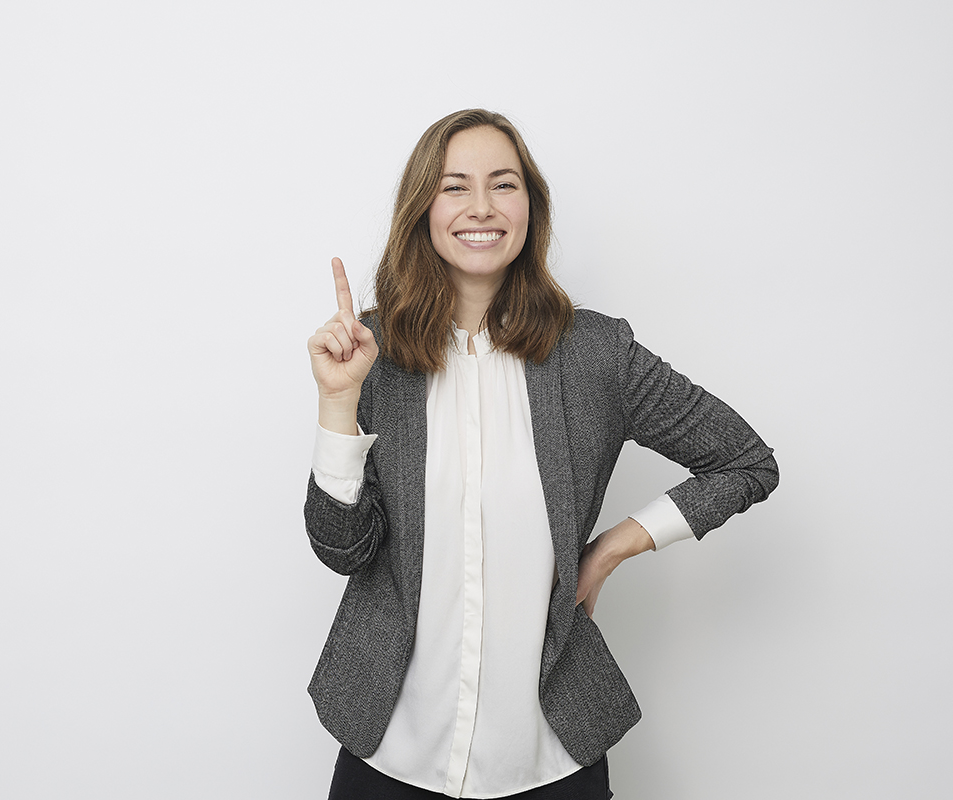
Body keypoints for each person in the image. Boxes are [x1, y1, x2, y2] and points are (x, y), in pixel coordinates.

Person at [304, 109, 778, 800]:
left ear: (531, 207)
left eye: (504, 184)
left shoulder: (596, 355)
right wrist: (338, 401)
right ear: (423, 210)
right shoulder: (370, 352)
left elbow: (745, 462)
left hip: (548, 760)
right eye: (454, 187)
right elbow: (342, 550)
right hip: (392, 753)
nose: (481, 207)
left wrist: (611, 548)